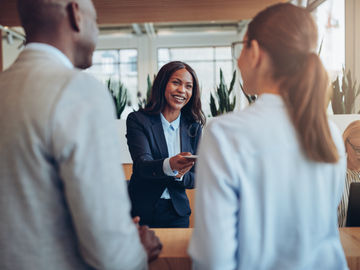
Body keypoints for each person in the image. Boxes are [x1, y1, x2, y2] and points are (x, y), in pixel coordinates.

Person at [0, 0, 161, 269]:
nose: (96, 33)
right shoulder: (79, 91)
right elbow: (109, 249)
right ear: (76, 14)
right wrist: (137, 252)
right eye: (96, 21)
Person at [188, 3, 348, 270]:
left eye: (241, 47)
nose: (238, 60)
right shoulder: (329, 131)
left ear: (256, 52)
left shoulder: (224, 133)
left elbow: (213, 258)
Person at [126, 61, 205, 228]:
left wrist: (180, 174)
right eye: (176, 82)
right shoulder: (138, 120)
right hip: (141, 211)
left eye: (188, 86)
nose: (182, 90)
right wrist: (170, 165)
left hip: (177, 213)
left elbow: (197, 178)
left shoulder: (194, 128)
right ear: (162, 85)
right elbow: (142, 165)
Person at [338, 120, 360, 227]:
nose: (359, 155)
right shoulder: (335, 176)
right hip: (341, 239)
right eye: (357, 149)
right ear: (345, 144)